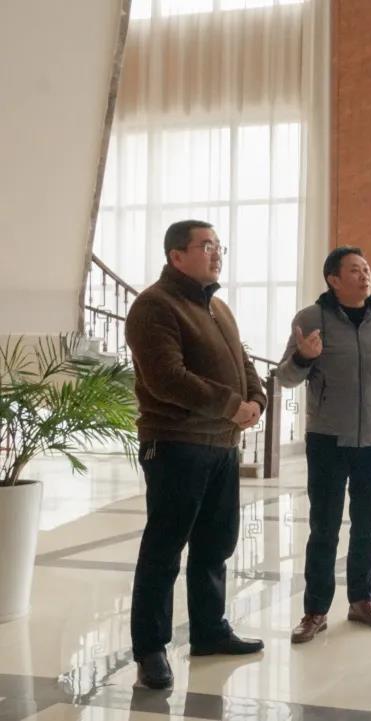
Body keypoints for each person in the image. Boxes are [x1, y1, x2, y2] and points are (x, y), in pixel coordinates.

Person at [126, 220, 268, 690]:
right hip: (176, 444)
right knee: (164, 549)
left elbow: (244, 362)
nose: (216, 253)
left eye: (219, 246)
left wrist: (257, 399)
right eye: (206, 246)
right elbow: (167, 378)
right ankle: (150, 650)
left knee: (215, 544)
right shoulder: (154, 306)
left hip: (221, 445)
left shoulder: (217, 307)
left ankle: (209, 630)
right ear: (176, 256)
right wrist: (232, 406)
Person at [279, 247, 371, 644]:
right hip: (327, 437)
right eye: (355, 270)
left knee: (367, 527)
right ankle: (315, 610)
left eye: (367, 269)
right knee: (324, 528)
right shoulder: (310, 319)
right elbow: (286, 377)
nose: (365, 276)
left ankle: (362, 601)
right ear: (333, 279)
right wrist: (304, 358)